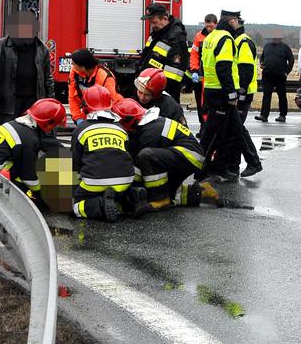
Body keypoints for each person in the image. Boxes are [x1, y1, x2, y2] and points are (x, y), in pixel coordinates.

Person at [113, 99, 219, 209]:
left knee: (145, 156)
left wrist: (125, 186)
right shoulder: (149, 124)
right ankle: (201, 191)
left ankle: (160, 199)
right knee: (169, 192)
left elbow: (140, 164)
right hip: (186, 154)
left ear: (128, 121)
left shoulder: (149, 132)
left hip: (189, 156)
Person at [71, 85, 148, 222]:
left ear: (86, 107)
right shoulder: (120, 128)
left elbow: (76, 164)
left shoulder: (81, 129)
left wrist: (74, 188)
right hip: (125, 181)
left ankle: (100, 204)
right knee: (115, 190)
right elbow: (126, 156)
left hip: (94, 182)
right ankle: (130, 197)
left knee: (73, 205)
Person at [0, 98, 66, 207]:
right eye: (55, 125)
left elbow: (46, 142)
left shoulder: (17, 125)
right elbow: (29, 177)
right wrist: (41, 196)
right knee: (30, 185)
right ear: (48, 124)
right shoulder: (29, 139)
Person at [199, 9, 245, 182]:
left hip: (212, 89)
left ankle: (220, 166)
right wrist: (231, 93)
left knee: (234, 131)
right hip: (221, 92)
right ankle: (201, 168)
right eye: (238, 21)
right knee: (214, 134)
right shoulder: (225, 39)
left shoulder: (210, 37)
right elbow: (224, 68)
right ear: (232, 21)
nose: (239, 25)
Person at [0, 11, 53, 123]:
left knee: (32, 138)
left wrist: (50, 102)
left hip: (34, 104)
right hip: (9, 105)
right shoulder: (0, 46)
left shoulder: (41, 48)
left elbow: (47, 79)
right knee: (9, 138)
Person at [138, 3, 189, 102]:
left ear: (165, 19)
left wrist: (158, 89)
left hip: (164, 93)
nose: (153, 25)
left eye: (155, 22)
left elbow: (175, 72)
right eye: (151, 22)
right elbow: (146, 56)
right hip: (151, 88)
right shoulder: (158, 33)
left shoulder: (175, 37)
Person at [233, 21, 263, 177]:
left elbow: (245, 71)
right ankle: (235, 165)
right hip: (240, 92)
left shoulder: (243, 42)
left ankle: (253, 162)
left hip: (243, 93)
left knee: (237, 128)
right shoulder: (237, 40)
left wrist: (241, 93)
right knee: (234, 128)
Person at [68, 49, 122, 124]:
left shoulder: (105, 76)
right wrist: (78, 118)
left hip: (108, 112)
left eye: (74, 64)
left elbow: (112, 102)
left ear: (83, 67)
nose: (72, 65)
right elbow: (72, 97)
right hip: (89, 110)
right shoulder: (75, 72)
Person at [256, 36, 294, 123]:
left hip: (280, 76)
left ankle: (282, 115)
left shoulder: (285, 47)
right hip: (267, 75)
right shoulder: (267, 46)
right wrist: (261, 63)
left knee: (281, 95)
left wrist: (286, 72)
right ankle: (264, 115)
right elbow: (262, 57)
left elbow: (291, 60)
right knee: (266, 95)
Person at [189, 14, 218, 123]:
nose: (209, 29)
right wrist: (194, 70)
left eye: (211, 26)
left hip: (213, 77)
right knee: (200, 102)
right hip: (200, 75)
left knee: (211, 103)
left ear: (216, 24)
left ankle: (211, 127)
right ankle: (203, 126)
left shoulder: (219, 37)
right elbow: (194, 54)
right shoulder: (199, 37)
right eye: (207, 26)